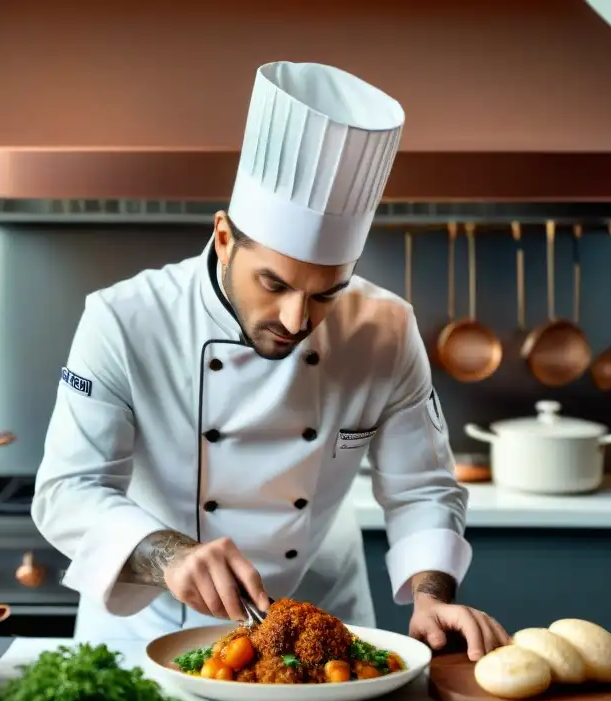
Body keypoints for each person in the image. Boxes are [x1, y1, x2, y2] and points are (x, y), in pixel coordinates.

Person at [32, 61, 510, 660]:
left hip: (323, 625)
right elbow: (68, 490)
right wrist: (169, 554)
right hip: (148, 632)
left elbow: (422, 487)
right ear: (225, 237)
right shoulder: (125, 320)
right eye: (273, 283)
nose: (296, 320)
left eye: (326, 294)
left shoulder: (386, 328)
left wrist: (432, 595)